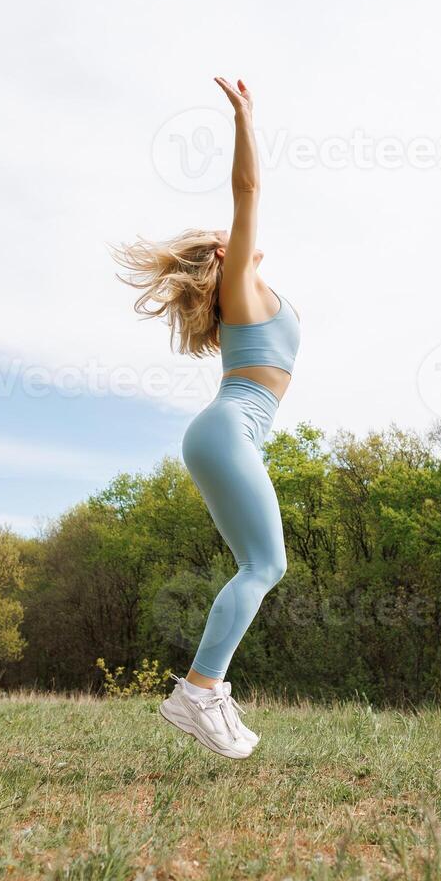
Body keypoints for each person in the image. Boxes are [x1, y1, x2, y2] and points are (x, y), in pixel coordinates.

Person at [113, 77, 300, 759]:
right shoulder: (240, 285)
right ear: (223, 255)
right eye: (229, 237)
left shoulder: (245, 294)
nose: (240, 233)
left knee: (260, 564)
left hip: (229, 434)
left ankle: (206, 689)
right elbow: (248, 191)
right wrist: (245, 117)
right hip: (225, 432)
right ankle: (200, 690)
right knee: (263, 565)